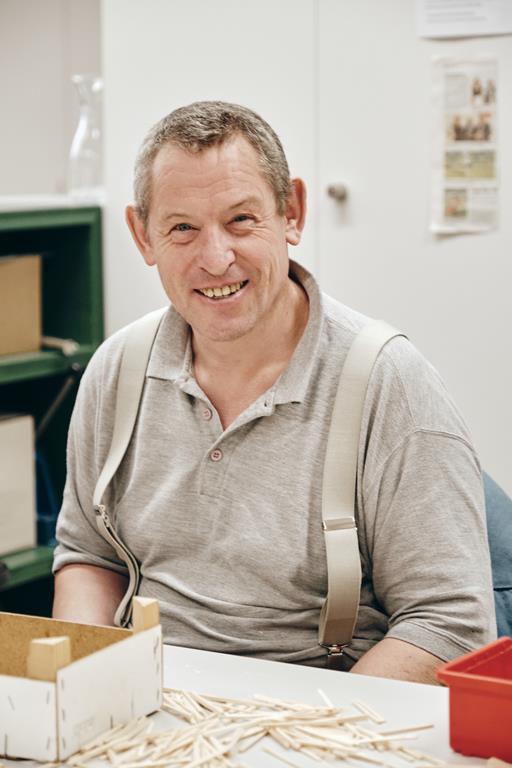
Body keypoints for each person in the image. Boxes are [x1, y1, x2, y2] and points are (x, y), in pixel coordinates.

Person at [53, 101, 496, 684]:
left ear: (292, 212)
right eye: (182, 228)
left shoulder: (390, 383)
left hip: (327, 709)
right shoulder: (117, 370)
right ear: (143, 235)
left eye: (240, 220)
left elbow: (449, 624)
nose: (216, 259)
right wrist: (89, 688)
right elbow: (88, 555)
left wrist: (303, 728)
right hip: (147, 698)